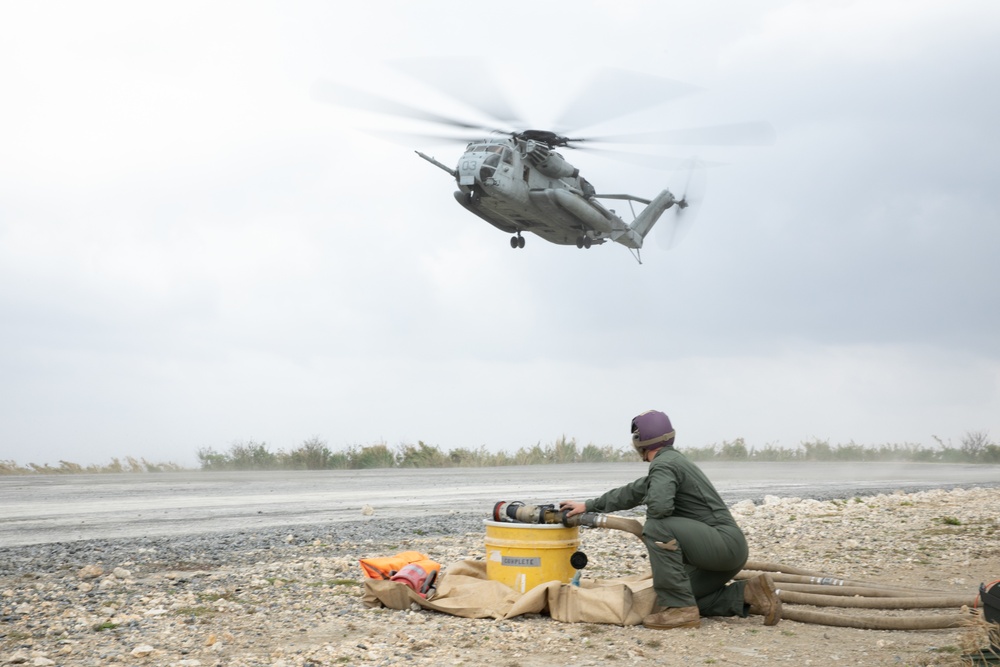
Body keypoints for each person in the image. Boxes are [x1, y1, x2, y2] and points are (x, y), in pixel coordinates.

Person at [560, 409, 782, 630]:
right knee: (680, 596)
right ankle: (751, 592)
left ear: (640, 442)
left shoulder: (664, 465)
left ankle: (680, 610)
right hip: (726, 553)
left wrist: (654, 530)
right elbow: (631, 492)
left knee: (656, 526)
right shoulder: (671, 462)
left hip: (722, 546)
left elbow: (660, 508)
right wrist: (588, 506)